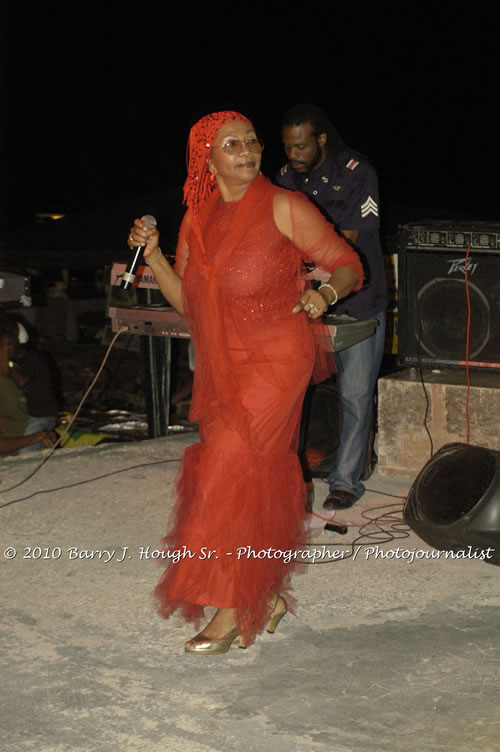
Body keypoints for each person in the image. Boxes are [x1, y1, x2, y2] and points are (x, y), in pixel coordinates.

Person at [128, 111, 362, 654]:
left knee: (228, 472)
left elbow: (346, 262)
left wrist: (325, 294)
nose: (248, 151)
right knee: (241, 476)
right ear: (206, 159)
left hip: (276, 359)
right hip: (223, 364)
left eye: (252, 142)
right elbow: (189, 301)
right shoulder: (197, 220)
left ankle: (234, 606)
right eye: (232, 144)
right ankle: (265, 595)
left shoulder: (286, 205)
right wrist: (157, 255)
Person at [276, 104, 387, 511]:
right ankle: (290, 479)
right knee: (291, 393)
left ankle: (346, 481)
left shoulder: (358, 172)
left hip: (358, 300)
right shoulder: (285, 179)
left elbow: (346, 247)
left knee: (355, 395)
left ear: (321, 139)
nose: (294, 154)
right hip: (303, 302)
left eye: (302, 145)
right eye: (288, 146)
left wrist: (321, 286)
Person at [0, 313, 56, 454]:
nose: (9, 347)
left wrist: (5, 357)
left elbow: (21, 381)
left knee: (27, 451)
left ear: (20, 340)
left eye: (10, 344)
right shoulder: (12, 363)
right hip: (24, 415)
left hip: (39, 416)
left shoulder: (33, 361)